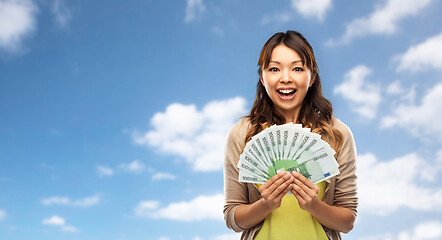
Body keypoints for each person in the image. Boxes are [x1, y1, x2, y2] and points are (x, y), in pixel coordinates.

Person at [223, 30, 358, 240]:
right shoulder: (241, 134)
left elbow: (347, 220)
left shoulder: (337, 134)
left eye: (297, 68)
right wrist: (265, 204)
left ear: (312, 77)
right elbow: (233, 217)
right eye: (274, 69)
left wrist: (313, 205)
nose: (286, 78)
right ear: (262, 76)